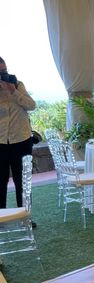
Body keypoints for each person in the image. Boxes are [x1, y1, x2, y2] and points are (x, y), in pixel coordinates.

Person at [0, 56, 36, 210]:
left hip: (21, 139)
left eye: (4, 71)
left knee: (22, 181)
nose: (3, 75)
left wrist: (13, 92)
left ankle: (25, 215)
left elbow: (31, 105)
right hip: (1, 142)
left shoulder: (17, 85)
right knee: (0, 181)